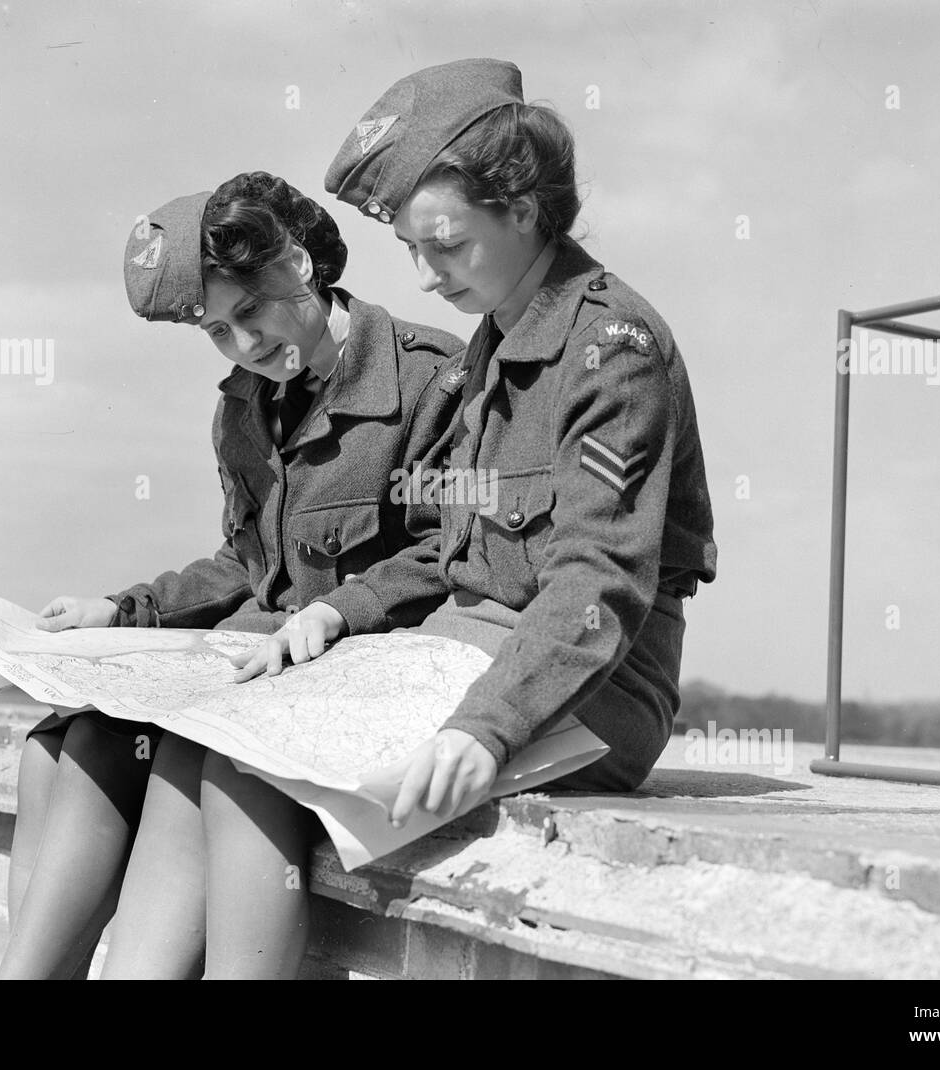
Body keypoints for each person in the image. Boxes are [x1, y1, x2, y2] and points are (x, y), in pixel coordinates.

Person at [201, 58, 716, 976]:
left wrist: (487, 726)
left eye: (446, 244)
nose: (426, 275)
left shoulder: (611, 351)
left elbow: (598, 582)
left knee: (257, 759)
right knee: (223, 739)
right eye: (411, 250)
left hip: (590, 693)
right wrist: (341, 611)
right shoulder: (489, 349)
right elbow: (448, 543)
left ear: (523, 207)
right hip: (461, 649)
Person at [0, 172, 465, 979]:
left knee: (185, 755)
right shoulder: (246, 405)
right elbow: (246, 564)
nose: (245, 347)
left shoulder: (431, 380)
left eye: (250, 312)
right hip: (256, 667)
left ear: (300, 263)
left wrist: (341, 610)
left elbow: (446, 555)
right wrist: (122, 609)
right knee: (68, 743)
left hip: (352, 672)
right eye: (218, 331)